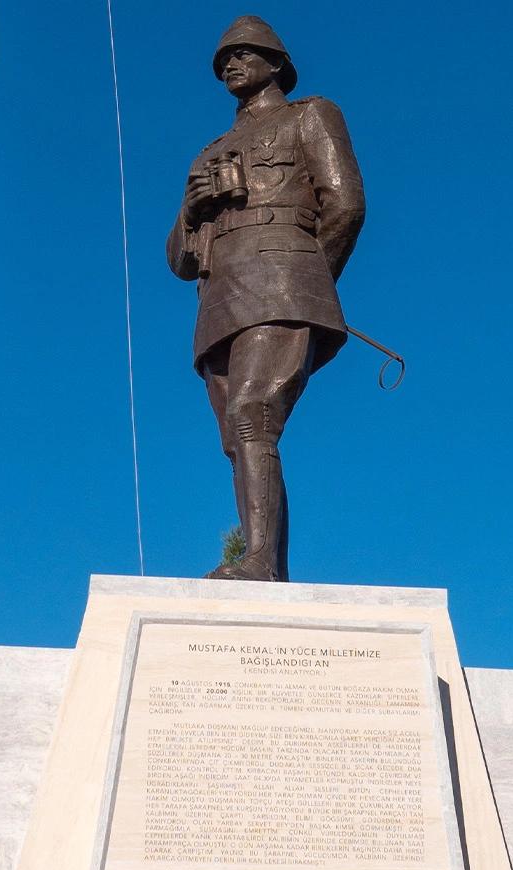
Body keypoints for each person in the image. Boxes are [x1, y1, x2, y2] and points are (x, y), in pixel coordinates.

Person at [168, 15, 365, 582]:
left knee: (254, 413)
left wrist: (305, 278)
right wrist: (194, 209)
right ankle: (266, 569)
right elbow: (179, 261)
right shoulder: (210, 153)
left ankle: (257, 562)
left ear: (276, 62)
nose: (230, 64)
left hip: (283, 283)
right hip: (221, 300)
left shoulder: (311, 116)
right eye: (223, 59)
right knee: (239, 437)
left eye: (244, 53)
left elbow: (346, 205)